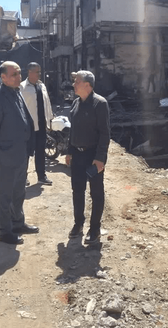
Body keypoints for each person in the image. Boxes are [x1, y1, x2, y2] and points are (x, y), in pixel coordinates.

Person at [0, 61, 39, 245]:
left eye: (19, 73)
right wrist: (2, 149)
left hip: (21, 153)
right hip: (7, 155)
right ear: (3, 77)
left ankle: (17, 223)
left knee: (18, 192)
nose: (19, 77)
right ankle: (4, 231)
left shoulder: (16, 92)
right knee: (5, 194)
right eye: (14, 74)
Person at [65, 70, 110, 244]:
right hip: (77, 155)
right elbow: (73, 130)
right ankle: (78, 223)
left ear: (87, 85)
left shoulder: (100, 104)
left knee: (96, 192)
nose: (74, 84)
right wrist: (69, 151)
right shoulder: (76, 103)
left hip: (93, 156)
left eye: (77, 82)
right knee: (77, 190)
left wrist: (100, 158)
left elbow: (105, 134)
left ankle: (95, 228)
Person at [20, 62, 53, 186]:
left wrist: (50, 119)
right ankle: (23, 177)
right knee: (26, 153)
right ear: (30, 72)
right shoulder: (22, 87)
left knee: (40, 151)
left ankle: (41, 176)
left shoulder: (41, 86)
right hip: (29, 126)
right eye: (37, 72)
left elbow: (47, 103)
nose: (39, 74)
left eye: (40, 71)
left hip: (42, 125)